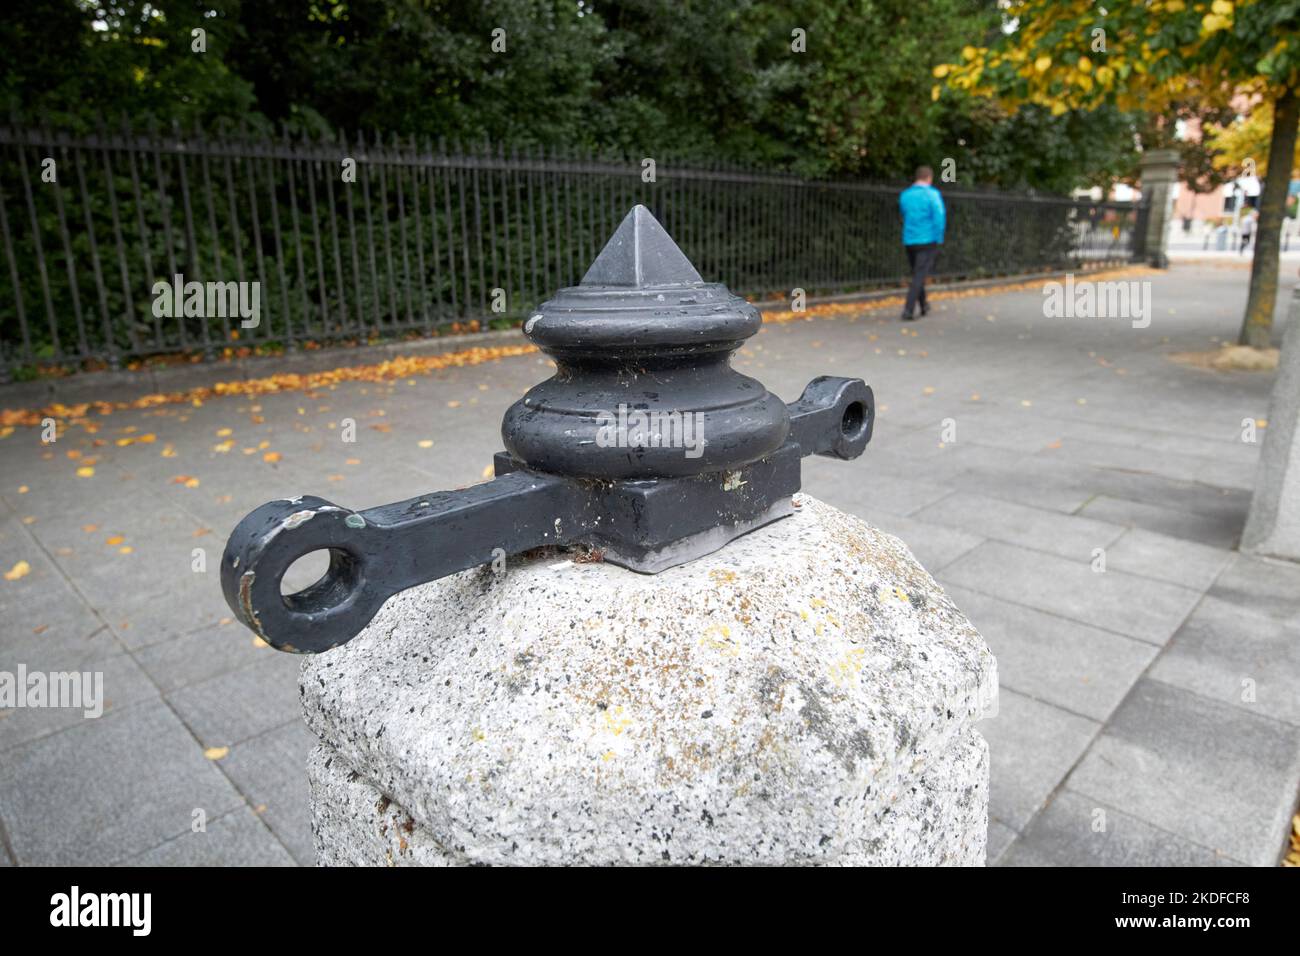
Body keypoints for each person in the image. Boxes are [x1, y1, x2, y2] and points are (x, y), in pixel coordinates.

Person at [898, 165, 946, 321]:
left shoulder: (905, 195)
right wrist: (939, 237)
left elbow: (904, 214)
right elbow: (939, 217)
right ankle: (908, 310)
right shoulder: (932, 194)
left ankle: (924, 305)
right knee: (919, 275)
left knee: (917, 273)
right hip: (927, 239)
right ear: (929, 178)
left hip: (910, 239)